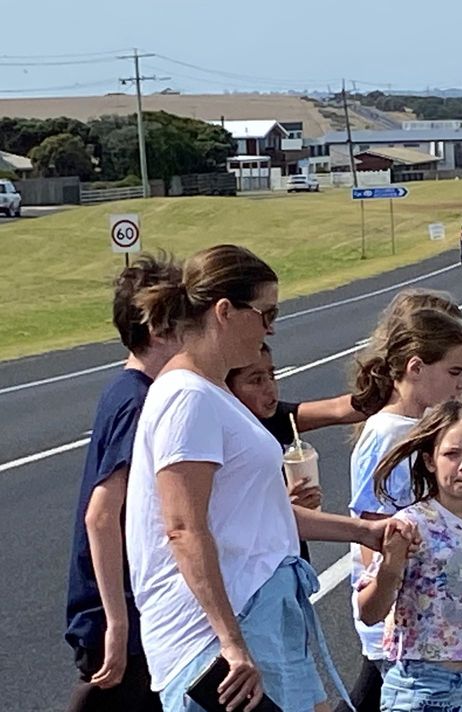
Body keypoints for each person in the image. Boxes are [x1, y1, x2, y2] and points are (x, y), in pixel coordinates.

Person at [125, 244, 415, 712]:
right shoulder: (187, 397)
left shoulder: (211, 391)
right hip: (220, 633)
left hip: (259, 613)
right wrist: (231, 642)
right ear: (225, 311)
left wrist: (365, 531)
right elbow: (183, 529)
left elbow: (263, 512)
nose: (271, 327)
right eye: (266, 312)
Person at [357, 397, 462, 712]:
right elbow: (369, 612)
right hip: (418, 688)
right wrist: (391, 568)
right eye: (451, 454)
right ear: (429, 461)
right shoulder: (411, 524)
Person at [342, 306, 462, 712]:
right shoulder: (388, 434)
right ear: (416, 367)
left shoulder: (416, 426)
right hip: (401, 623)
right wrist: (383, 606)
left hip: (422, 616)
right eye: (454, 372)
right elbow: (373, 528)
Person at [65, 255, 181, 712]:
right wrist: (117, 624)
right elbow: (100, 515)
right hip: (119, 610)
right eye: (184, 321)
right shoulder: (139, 402)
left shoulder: (128, 388)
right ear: (158, 329)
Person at [227, 342, 365, 561]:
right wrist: (284, 510)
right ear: (226, 389)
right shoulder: (221, 440)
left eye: (271, 375)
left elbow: (338, 410)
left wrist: (395, 387)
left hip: (290, 562)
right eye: (256, 380)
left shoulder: (274, 418)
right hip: (259, 571)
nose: (270, 387)